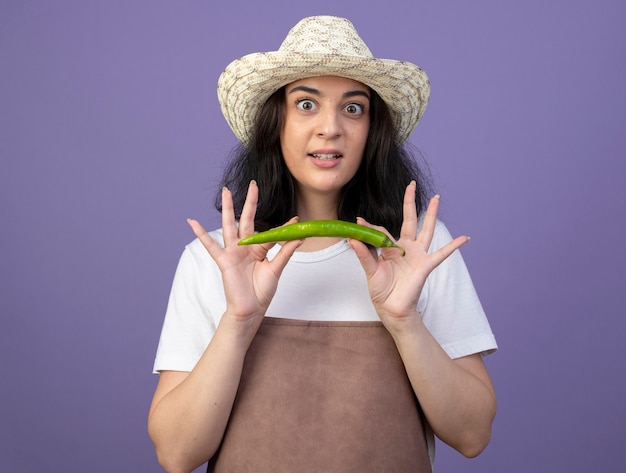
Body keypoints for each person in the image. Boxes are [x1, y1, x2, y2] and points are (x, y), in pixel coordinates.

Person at [148, 15, 497, 473]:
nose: (330, 127)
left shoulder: (415, 254)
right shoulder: (218, 259)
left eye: (353, 108)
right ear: (276, 123)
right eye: (306, 104)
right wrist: (239, 320)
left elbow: (472, 437)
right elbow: (176, 455)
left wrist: (404, 320)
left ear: (374, 131)